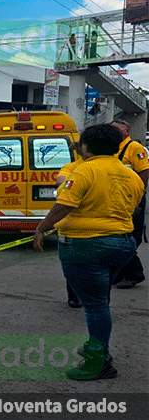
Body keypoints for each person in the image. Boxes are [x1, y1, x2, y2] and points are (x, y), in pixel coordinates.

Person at [33, 124, 144, 381]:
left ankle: (99, 359)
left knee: (95, 306)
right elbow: (134, 207)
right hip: (122, 244)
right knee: (99, 299)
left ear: (85, 146)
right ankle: (97, 345)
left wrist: (41, 228)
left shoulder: (83, 172)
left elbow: (64, 205)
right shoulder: (132, 176)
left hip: (85, 245)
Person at [110, 119, 148, 289]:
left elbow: (144, 173)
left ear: (127, 131)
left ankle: (134, 274)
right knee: (118, 236)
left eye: (118, 129)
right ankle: (123, 273)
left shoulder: (135, 148)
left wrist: (138, 199)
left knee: (128, 238)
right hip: (116, 198)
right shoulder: (112, 148)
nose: (115, 132)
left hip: (132, 198)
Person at [55, 142, 84, 308]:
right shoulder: (120, 169)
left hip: (74, 230)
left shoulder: (73, 169)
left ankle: (76, 297)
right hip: (112, 232)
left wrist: (43, 227)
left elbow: (63, 191)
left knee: (73, 266)